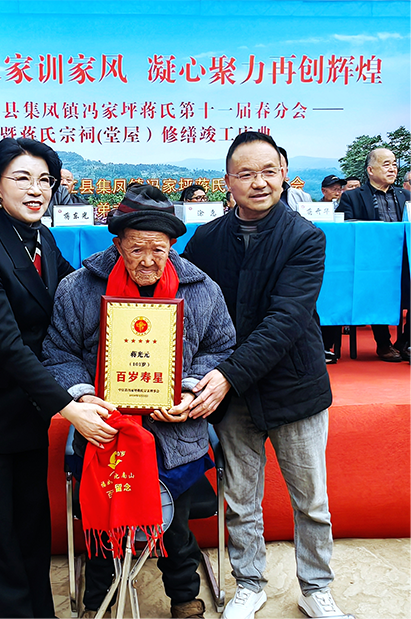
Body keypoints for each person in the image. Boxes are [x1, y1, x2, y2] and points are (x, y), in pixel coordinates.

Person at [0, 137, 116, 619]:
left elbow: (75, 293)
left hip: (28, 409)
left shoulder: (44, 238)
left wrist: (129, 261)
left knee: (32, 526)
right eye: (21, 178)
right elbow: (9, 347)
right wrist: (70, 406)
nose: (36, 190)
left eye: (45, 180)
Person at [42, 184, 236, 619]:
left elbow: (221, 347)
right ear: (117, 245)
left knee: (175, 529)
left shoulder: (201, 288)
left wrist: (189, 388)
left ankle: (185, 599)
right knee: (104, 526)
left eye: (158, 250)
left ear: (172, 246)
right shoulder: (79, 288)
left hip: (174, 435)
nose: (148, 260)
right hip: (106, 431)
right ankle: (98, 603)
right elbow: (58, 353)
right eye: (136, 249)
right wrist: (85, 397)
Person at [183, 131, 353, 619]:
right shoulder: (206, 239)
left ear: (284, 175)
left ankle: (315, 588)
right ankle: (249, 583)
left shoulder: (305, 237)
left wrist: (226, 375)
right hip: (232, 394)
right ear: (227, 181)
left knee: (311, 500)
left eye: (268, 172)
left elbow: (285, 320)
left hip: (292, 387)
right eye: (246, 173)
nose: (259, 182)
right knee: (241, 497)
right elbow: (185, 304)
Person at [337, 148, 411, 361]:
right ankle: (383, 343)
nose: (393, 168)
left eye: (394, 164)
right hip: (371, 263)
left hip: (404, 259)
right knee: (377, 290)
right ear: (370, 170)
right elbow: (346, 230)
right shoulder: (352, 197)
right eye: (386, 164)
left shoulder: (406, 195)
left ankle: (406, 341)